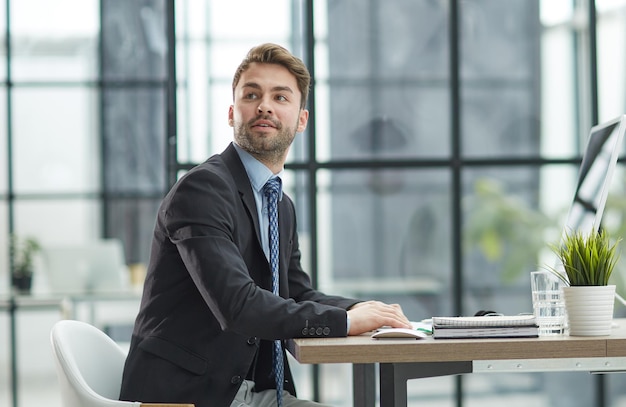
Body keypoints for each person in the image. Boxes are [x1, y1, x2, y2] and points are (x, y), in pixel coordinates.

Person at [119, 43, 411, 407]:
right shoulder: (202, 190)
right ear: (232, 113)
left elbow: (296, 295)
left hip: (248, 390)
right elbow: (238, 305)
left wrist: (365, 310)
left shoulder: (280, 205)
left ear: (301, 120)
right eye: (252, 94)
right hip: (190, 396)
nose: (264, 106)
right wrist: (346, 322)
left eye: (280, 97)